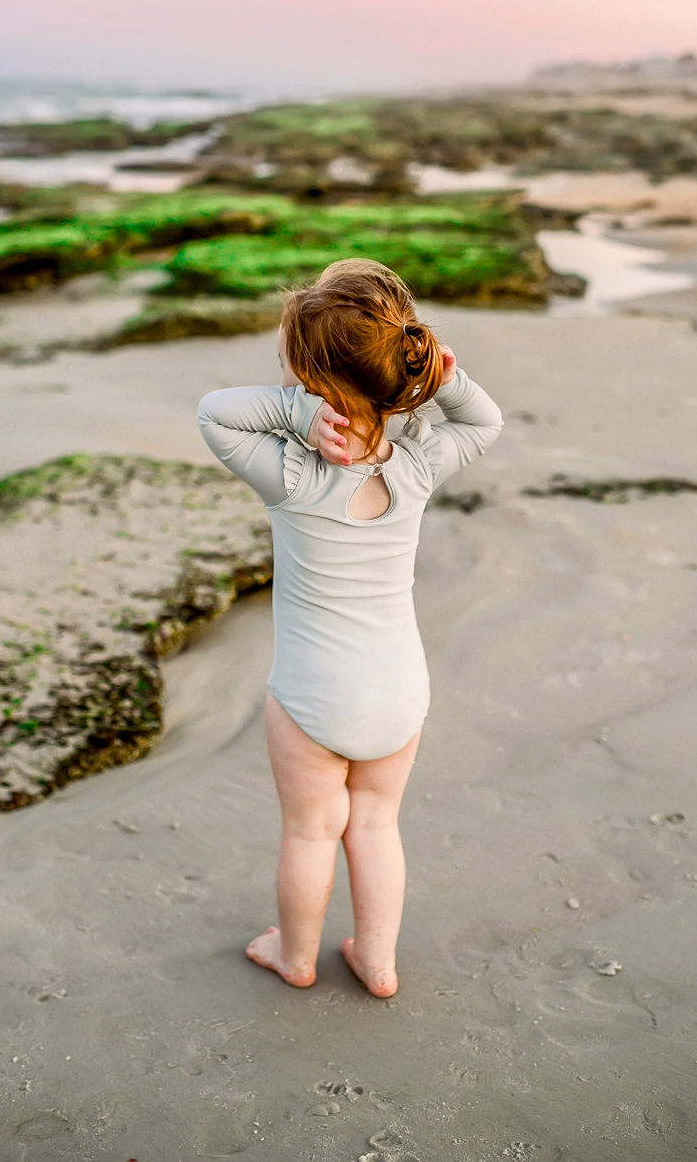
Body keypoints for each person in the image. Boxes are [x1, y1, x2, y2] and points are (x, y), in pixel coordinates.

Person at [196, 259, 504, 997]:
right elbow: (485, 420)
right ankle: (377, 959)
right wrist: (442, 379)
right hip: (399, 691)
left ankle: (295, 955)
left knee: (310, 832)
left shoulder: (291, 474)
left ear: (307, 380)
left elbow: (214, 411)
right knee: (374, 826)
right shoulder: (419, 462)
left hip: (312, 695)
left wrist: (297, 417)